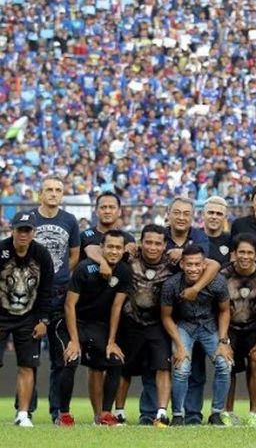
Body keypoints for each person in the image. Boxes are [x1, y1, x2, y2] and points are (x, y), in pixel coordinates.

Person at [57, 230, 134, 426]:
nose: (114, 251)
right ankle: (63, 415)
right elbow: (69, 305)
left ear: (124, 250)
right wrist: (74, 341)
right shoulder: (85, 268)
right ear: (102, 248)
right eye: (110, 246)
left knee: (116, 360)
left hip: (98, 326)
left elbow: (116, 307)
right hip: (72, 322)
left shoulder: (125, 272)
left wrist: (111, 342)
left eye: (118, 247)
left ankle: (105, 414)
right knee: (71, 359)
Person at [160, 245, 233, 426]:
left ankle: (216, 413)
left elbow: (224, 311)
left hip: (209, 325)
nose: (193, 268)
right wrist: (179, 345)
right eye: (189, 264)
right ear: (182, 265)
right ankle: (178, 415)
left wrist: (223, 340)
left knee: (224, 365)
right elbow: (166, 317)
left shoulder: (217, 282)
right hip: (183, 326)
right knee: (182, 367)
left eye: (197, 264)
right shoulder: (171, 285)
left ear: (204, 265)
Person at [113, 224, 176, 427]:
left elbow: (208, 263)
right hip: (130, 322)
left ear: (165, 245)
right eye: (148, 242)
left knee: (163, 366)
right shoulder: (128, 259)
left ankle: (161, 413)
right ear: (140, 243)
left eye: (158, 243)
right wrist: (124, 249)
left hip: (158, 324)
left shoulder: (173, 264)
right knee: (124, 369)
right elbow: (98, 250)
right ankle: (119, 412)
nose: (152, 247)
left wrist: (182, 252)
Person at [30, 175, 81, 422]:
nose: (53, 193)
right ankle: (24, 412)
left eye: (58, 190)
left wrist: (56, 277)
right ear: (40, 193)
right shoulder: (29, 219)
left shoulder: (70, 220)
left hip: (60, 297)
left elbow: (74, 256)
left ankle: (57, 412)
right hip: (31, 297)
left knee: (61, 360)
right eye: (48, 189)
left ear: (62, 194)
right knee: (27, 358)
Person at [0, 212, 54, 427]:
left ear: (34, 232)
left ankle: (23, 414)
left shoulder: (41, 254)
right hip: (1, 314)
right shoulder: (1, 250)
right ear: (12, 229)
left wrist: (43, 320)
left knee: (27, 365)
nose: (23, 233)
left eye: (27, 230)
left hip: (29, 316)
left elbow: (46, 289)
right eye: (20, 229)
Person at [220, 233, 256, 425]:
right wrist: (223, 340)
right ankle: (227, 412)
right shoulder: (223, 275)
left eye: (249, 252)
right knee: (226, 365)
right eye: (241, 252)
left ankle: (253, 413)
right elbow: (222, 309)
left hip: (255, 327)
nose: (245, 256)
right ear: (234, 253)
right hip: (230, 326)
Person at [80, 191, 137, 262]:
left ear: (119, 211)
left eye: (112, 207)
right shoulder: (83, 237)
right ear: (96, 211)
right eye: (103, 207)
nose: (107, 211)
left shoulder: (128, 239)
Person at [202, 196, 233, 266]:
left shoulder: (232, 240)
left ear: (225, 218)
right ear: (203, 215)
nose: (214, 217)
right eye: (211, 213)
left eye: (219, 214)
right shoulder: (193, 237)